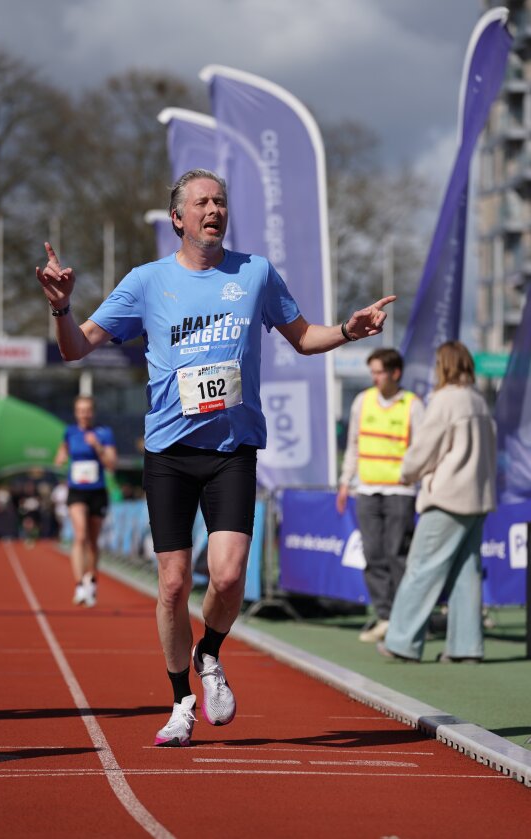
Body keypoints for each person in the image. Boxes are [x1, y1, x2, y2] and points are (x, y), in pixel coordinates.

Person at [36, 168, 395, 747]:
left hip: (232, 449)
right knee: (173, 585)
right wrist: (60, 308)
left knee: (228, 577)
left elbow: (304, 338)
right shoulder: (147, 282)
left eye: (221, 202)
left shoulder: (255, 273)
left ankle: (209, 653)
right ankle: (181, 700)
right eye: (202, 202)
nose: (214, 210)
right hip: (169, 453)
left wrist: (349, 331)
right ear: (178, 217)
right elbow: (77, 349)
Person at [377, 341, 496, 663]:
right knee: (466, 576)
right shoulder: (478, 400)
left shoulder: (445, 400)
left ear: (443, 365)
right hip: (477, 499)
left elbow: (425, 447)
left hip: (447, 498)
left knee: (421, 570)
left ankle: (401, 643)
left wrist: (407, 472)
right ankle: (466, 648)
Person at [336, 348, 424, 642]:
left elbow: (423, 449)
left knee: (398, 555)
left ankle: (404, 618)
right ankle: (385, 616)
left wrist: (417, 483)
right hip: (367, 490)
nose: (374, 377)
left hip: (401, 491)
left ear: (395, 373)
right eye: (372, 372)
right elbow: (353, 444)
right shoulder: (362, 401)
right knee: (373, 555)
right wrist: (345, 482)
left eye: (379, 372)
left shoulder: (413, 405)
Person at [54, 395, 117, 607]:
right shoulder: (70, 432)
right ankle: (80, 584)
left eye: (88, 410)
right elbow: (62, 450)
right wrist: (60, 456)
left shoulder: (104, 433)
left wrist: (98, 447)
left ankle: (92, 579)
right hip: (76, 491)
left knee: (92, 541)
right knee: (80, 535)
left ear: (93, 412)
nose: (84, 414)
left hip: (97, 491)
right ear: (76, 413)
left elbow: (111, 464)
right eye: (81, 410)